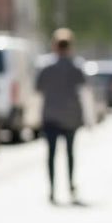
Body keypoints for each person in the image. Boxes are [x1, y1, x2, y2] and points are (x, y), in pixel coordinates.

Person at [36, 28, 86, 204]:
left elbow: (38, 89)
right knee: (70, 153)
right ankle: (70, 186)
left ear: (54, 46)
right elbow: (84, 92)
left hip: (50, 116)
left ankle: (52, 190)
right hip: (71, 117)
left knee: (51, 155)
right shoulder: (76, 67)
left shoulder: (46, 68)